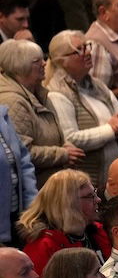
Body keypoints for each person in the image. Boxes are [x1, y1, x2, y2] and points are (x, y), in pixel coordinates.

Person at [43, 32, 118, 193]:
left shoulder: (98, 85)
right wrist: (111, 129)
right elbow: (71, 139)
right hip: (84, 187)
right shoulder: (56, 92)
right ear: (62, 61)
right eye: (79, 50)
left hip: (111, 183)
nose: (88, 52)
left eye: (87, 46)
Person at [0, 39, 81, 187]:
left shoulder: (39, 92)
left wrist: (66, 145)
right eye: (37, 61)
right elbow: (22, 151)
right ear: (21, 67)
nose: (44, 63)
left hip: (50, 184)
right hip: (34, 189)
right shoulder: (12, 102)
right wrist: (62, 154)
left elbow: (55, 135)